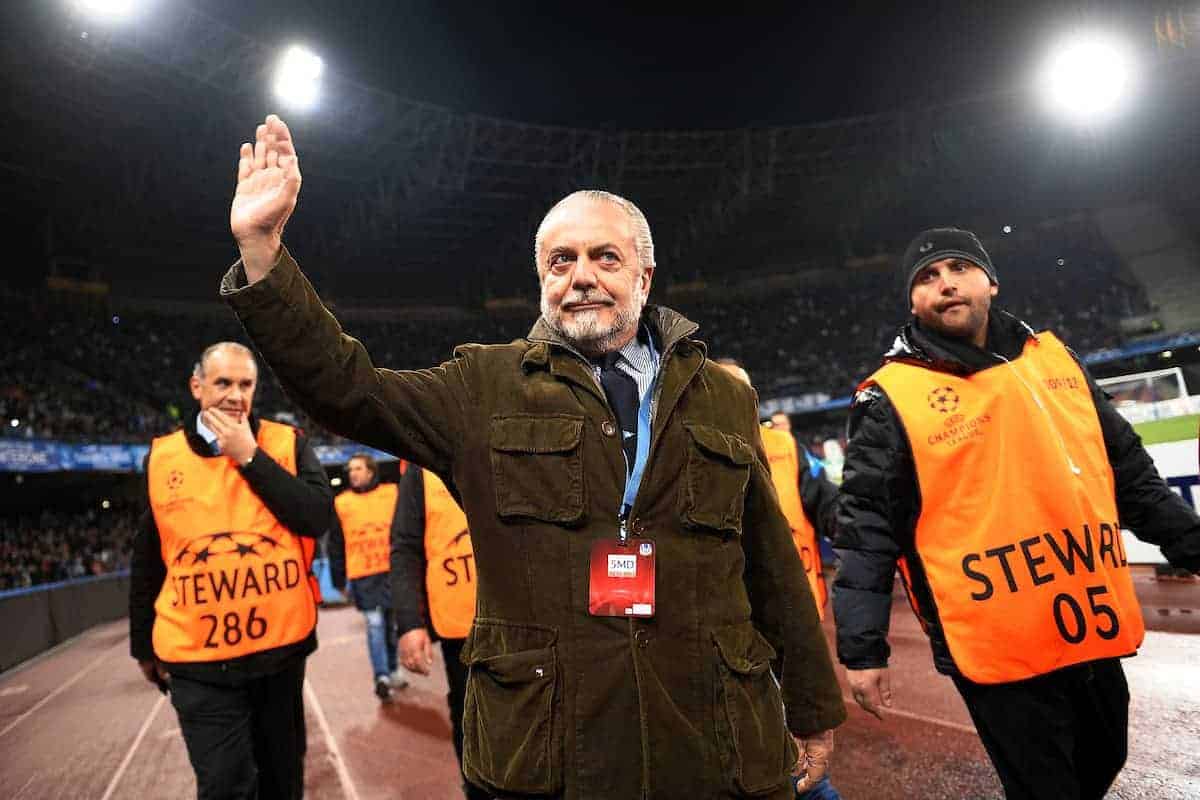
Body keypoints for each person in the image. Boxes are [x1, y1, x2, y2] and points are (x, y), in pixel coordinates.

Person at [219, 114, 845, 799]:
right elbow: (347, 388)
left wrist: (812, 706)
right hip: (548, 750)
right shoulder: (480, 385)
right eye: (561, 260)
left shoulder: (721, 396)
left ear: (645, 275)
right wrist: (262, 251)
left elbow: (771, 561)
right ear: (541, 278)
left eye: (606, 257)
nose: (582, 277)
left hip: (709, 736)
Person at [834, 227, 1200, 800]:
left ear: (991, 282)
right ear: (913, 302)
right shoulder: (888, 397)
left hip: (1087, 618)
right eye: (926, 278)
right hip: (991, 639)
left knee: (1105, 757)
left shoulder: (1056, 360)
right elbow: (866, 531)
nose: (945, 283)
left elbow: (1130, 477)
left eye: (958, 268)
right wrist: (863, 648)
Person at [129, 342, 333, 799]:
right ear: (197, 387)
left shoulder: (287, 444)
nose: (235, 394)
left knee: (282, 783)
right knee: (225, 786)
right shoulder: (161, 459)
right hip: (198, 664)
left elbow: (316, 516)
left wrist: (250, 457)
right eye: (223, 383)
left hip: (277, 657)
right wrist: (143, 645)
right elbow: (147, 558)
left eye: (245, 384)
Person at [715, 360, 842, 800]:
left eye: (744, 392)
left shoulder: (783, 446)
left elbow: (826, 502)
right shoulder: (691, 451)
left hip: (795, 614)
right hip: (734, 627)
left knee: (800, 748)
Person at [392, 466, 489, 800]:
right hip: (462, 629)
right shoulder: (419, 471)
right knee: (471, 721)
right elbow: (405, 546)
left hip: (533, 615)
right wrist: (409, 621)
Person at [328, 452, 407, 703]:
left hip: (392, 572)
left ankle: (393, 670)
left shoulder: (392, 493)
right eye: (350, 469)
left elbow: (407, 532)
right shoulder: (341, 503)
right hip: (363, 575)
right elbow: (336, 545)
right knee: (374, 626)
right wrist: (338, 580)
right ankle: (381, 677)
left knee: (392, 626)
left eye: (358, 468)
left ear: (371, 472)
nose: (353, 473)